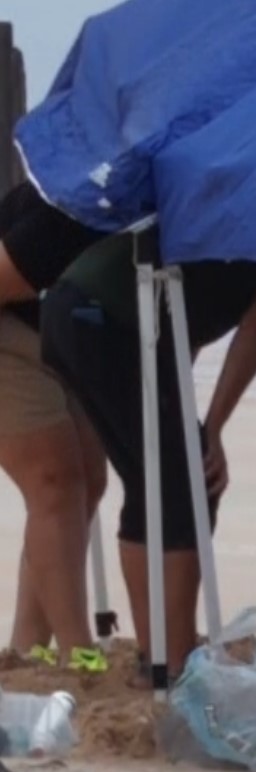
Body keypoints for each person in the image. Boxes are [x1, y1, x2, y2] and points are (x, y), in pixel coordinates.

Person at [38, 232, 256, 679]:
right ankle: (175, 660)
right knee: (189, 483)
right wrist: (214, 427)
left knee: (153, 481)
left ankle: (158, 658)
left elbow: (184, 317)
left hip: (75, 313)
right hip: (103, 319)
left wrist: (189, 414)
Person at [0, 185, 109, 668]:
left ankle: (26, 652)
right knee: (54, 481)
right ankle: (79, 655)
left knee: (88, 479)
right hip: (8, 316)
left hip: (60, 334)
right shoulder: (79, 200)